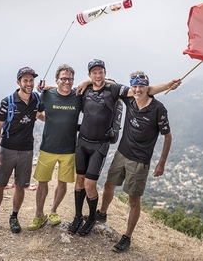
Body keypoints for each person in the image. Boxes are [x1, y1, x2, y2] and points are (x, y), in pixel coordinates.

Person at [68, 59, 180, 237]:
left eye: (101, 72)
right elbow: (65, 90)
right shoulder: (94, 92)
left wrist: (167, 85)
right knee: (91, 183)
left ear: (105, 73)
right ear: (89, 75)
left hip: (118, 151)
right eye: (94, 73)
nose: (98, 75)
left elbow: (143, 91)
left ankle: (106, 226)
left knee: (105, 190)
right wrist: (84, 82)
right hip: (97, 146)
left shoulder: (147, 104)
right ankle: (86, 215)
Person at [97, 71, 175, 252]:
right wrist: (87, 82)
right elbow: (108, 83)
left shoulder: (158, 109)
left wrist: (162, 162)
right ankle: (101, 214)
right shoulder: (129, 100)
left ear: (148, 87)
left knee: (134, 200)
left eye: (142, 86)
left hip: (140, 160)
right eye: (135, 86)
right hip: (122, 153)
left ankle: (127, 237)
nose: (138, 89)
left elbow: (168, 137)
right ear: (131, 87)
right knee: (109, 185)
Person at [0, 67, 41, 234]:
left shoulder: (36, 99)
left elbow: (40, 114)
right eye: (25, 80)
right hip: (7, 149)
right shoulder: (8, 101)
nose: (29, 83)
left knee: (20, 186)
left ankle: (14, 217)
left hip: (27, 150)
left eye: (31, 80)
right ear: (18, 82)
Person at [27, 64, 82, 230]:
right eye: (63, 78)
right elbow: (37, 112)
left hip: (69, 149)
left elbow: (100, 84)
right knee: (42, 182)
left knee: (63, 183)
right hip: (48, 147)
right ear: (57, 80)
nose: (66, 81)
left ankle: (53, 211)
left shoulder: (78, 95)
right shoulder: (46, 95)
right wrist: (49, 119)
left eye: (69, 79)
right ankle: (38, 214)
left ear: (73, 81)